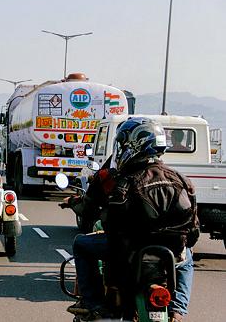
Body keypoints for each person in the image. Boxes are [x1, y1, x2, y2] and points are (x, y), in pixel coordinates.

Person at [67, 117, 199, 322]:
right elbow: (193, 232)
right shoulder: (182, 181)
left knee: (81, 244)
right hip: (169, 255)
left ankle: (93, 304)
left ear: (133, 146)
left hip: (129, 256)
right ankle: (178, 309)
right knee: (188, 256)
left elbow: (111, 224)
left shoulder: (122, 183)